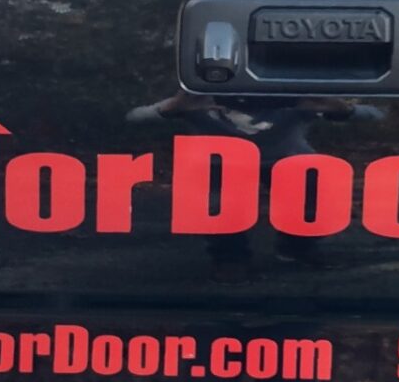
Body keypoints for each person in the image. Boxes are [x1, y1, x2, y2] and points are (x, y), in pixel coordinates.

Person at [127, 91, 385, 281]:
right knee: (219, 196)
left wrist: (341, 109)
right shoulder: (202, 98)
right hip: (225, 162)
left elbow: (376, 116)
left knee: (315, 182)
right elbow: (135, 117)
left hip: (286, 161)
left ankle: (297, 247)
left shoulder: (292, 97)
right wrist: (173, 107)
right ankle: (230, 258)